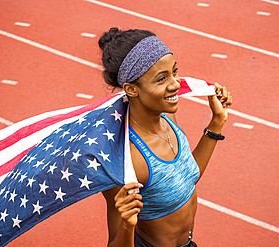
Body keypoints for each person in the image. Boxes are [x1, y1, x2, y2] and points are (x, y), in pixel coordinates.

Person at [99, 27, 232, 247]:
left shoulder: (168, 119)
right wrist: (127, 225)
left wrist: (216, 122)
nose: (176, 84)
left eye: (174, 71)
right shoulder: (125, 159)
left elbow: (184, 179)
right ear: (132, 89)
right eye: (162, 79)